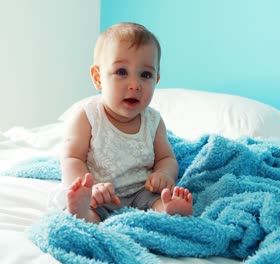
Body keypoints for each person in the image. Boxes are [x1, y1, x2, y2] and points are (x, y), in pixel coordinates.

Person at [60, 22, 193, 223]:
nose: (134, 85)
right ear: (98, 78)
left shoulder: (153, 121)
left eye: (145, 75)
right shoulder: (87, 117)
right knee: (92, 210)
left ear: (156, 80)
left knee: (155, 202)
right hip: (101, 194)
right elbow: (72, 159)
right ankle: (84, 214)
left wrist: (163, 174)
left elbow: (167, 158)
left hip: (141, 192)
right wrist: (90, 187)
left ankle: (167, 209)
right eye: (121, 72)